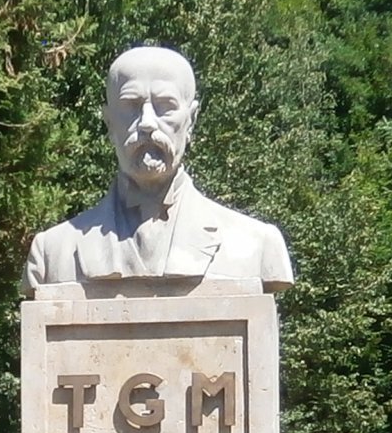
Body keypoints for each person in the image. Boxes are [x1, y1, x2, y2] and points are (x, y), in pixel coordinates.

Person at [22, 46, 294, 296]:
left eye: (166, 107)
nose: (147, 123)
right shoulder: (52, 254)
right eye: (131, 107)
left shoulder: (256, 246)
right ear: (109, 122)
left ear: (191, 120)